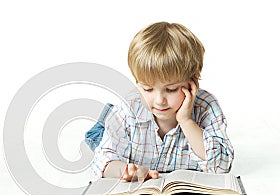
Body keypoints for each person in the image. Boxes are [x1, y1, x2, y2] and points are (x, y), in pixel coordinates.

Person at [87, 22, 234, 183]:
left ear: (192, 83)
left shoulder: (206, 106)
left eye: (171, 89)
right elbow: (102, 161)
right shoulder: (127, 109)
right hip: (118, 122)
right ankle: (103, 121)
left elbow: (222, 166)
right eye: (148, 89)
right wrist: (125, 170)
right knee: (96, 139)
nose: (159, 101)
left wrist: (186, 121)